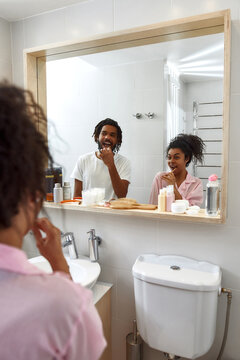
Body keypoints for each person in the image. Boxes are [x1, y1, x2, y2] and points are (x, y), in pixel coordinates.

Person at [0, 83, 106, 360]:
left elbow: (122, 194)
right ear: (34, 197)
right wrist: (60, 264)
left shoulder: (123, 162)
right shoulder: (61, 304)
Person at [71, 118, 131, 200]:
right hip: (88, 211)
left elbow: (122, 195)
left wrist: (111, 165)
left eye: (112, 135)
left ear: (117, 140)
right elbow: (77, 196)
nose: (107, 137)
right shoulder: (83, 160)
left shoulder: (124, 162)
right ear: (97, 137)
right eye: (104, 133)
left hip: (113, 211)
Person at [149, 133, 205, 206]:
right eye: (169, 157)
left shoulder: (196, 183)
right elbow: (153, 206)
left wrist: (172, 187)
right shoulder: (160, 178)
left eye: (176, 157)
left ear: (187, 159)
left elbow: (190, 210)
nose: (171, 161)